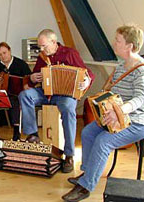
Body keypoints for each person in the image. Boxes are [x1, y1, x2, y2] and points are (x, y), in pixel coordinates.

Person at [62, 24, 144, 202]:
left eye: (118, 40)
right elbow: (112, 92)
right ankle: (87, 172)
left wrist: (119, 111)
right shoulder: (122, 66)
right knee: (88, 132)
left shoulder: (141, 70)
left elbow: (141, 99)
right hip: (116, 117)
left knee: (103, 141)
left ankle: (86, 186)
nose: (114, 43)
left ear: (130, 46)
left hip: (138, 122)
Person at [19, 29, 94, 173]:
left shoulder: (70, 53)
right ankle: (33, 134)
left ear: (54, 42)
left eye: (44, 46)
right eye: (39, 46)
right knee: (25, 95)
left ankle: (69, 155)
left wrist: (85, 81)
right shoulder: (43, 57)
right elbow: (32, 77)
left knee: (67, 108)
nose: (41, 49)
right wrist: (32, 78)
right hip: (46, 93)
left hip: (65, 95)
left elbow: (87, 72)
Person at [0, 42, 31, 140]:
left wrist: (26, 85)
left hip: (16, 94)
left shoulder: (21, 64)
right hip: (1, 94)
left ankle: (16, 130)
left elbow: (29, 79)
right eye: (0, 55)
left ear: (10, 51)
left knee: (15, 100)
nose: (3, 56)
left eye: (4, 53)